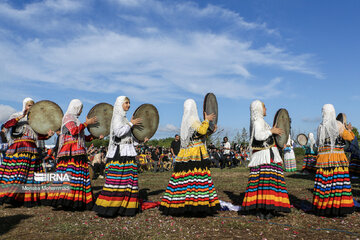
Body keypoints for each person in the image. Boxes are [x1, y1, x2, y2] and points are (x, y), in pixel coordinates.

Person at [159, 99, 220, 216]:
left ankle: (183, 202)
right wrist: (207, 120)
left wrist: (211, 132)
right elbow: (201, 130)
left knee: (184, 178)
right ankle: (195, 203)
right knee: (196, 177)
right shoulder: (192, 120)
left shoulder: (187, 121)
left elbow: (198, 135)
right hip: (195, 153)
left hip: (187, 152)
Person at [93, 96, 148, 217]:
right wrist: (130, 124)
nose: (128, 105)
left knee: (128, 181)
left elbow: (128, 137)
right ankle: (112, 207)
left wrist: (140, 140)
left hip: (127, 152)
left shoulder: (124, 117)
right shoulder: (118, 117)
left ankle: (126, 207)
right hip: (120, 154)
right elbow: (118, 133)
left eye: (129, 103)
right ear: (120, 104)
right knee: (117, 181)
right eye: (126, 103)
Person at [45, 99, 98, 210]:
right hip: (70, 152)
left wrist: (94, 136)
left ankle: (76, 200)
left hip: (77, 151)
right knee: (69, 175)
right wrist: (86, 123)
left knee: (77, 176)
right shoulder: (68, 117)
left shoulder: (76, 120)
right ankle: (66, 200)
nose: (81, 111)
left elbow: (81, 136)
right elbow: (74, 131)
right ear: (75, 107)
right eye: (80, 108)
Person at [241, 100, 291, 219]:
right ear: (258, 108)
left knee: (263, 184)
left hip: (266, 155)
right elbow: (259, 136)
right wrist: (271, 131)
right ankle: (267, 209)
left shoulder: (261, 121)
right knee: (269, 183)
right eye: (264, 107)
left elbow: (267, 137)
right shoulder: (258, 121)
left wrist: (276, 138)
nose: (266, 109)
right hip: (265, 157)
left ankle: (264, 209)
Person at [0, 97, 54, 207]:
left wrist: (48, 135)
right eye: (29, 105)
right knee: (18, 174)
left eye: (32, 106)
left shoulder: (35, 120)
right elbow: (6, 125)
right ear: (24, 105)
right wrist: (21, 116)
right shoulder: (16, 116)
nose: (31, 108)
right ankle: (9, 196)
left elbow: (37, 135)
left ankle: (28, 198)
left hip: (32, 149)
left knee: (33, 175)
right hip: (19, 148)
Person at [312, 105, 355, 216]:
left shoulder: (320, 126)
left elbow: (317, 143)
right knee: (337, 184)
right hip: (337, 158)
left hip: (324, 159)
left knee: (325, 184)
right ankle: (337, 209)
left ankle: (323, 208)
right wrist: (349, 130)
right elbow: (349, 138)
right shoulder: (338, 124)